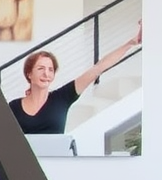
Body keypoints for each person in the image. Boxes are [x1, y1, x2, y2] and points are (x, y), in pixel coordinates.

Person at [9, 21, 142, 134]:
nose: (46, 74)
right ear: (29, 73)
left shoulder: (62, 98)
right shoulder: (14, 106)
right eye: (40, 69)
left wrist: (131, 42)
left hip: (56, 163)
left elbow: (98, 68)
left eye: (50, 70)